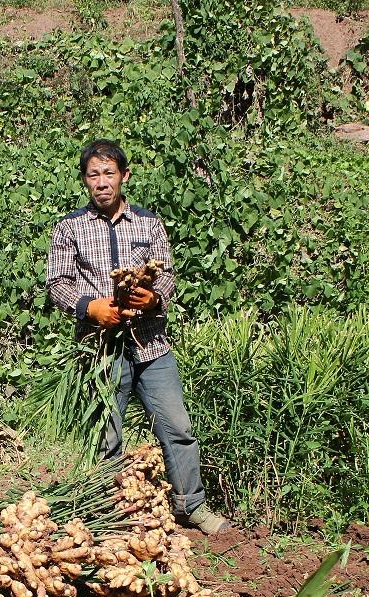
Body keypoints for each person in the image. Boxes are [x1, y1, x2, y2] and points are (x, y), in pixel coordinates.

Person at [45, 139, 232, 535]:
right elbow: (57, 283)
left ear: (124, 176)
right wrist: (90, 307)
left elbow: (166, 275)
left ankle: (191, 507)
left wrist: (154, 296)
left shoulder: (149, 223)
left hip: (152, 346)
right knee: (105, 434)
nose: (101, 182)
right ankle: (103, 512)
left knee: (177, 428)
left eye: (108, 173)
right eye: (93, 175)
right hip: (100, 350)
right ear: (84, 182)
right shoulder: (69, 228)